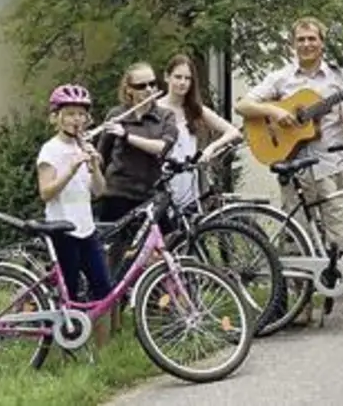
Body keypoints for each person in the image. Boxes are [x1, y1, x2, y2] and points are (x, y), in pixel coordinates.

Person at [236, 17, 343, 326]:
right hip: (292, 166)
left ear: (321, 43)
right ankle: (302, 303)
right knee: (295, 236)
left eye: (312, 39)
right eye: (301, 39)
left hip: (329, 166)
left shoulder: (339, 78)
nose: (306, 44)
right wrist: (275, 111)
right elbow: (243, 105)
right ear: (293, 44)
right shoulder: (281, 78)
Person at [35, 83, 114, 347]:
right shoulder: (51, 150)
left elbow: (99, 191)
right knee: (67, 293)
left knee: (104, 289)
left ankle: (104, 352)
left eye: (81, 114)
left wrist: (93, 165)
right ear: (56, 117)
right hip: (62, 229)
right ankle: (62, 349)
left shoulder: (85, 147)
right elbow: (46, 192)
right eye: (69, 113)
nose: (76, 119)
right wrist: (69, 169)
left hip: (86, 227)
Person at [94, 62, 179, 224]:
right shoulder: (117, 114)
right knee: (118, 247)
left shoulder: (166, 116)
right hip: (118, 194)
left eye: (152, 84)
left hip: (151, 194)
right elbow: (102, 155)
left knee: (165, 243)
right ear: (129, 89)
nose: (149, 89)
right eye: (141, 86)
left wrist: (126, 136)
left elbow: (162, 148)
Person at [158, 53, 242, 212]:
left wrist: (211, 148)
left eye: (187, 78)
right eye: (178, 77)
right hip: (162, 181)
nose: (182, 83)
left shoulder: (195, 109)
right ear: (167, 77)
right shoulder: (156, 109)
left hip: (188, 182)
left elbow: (233, 132)